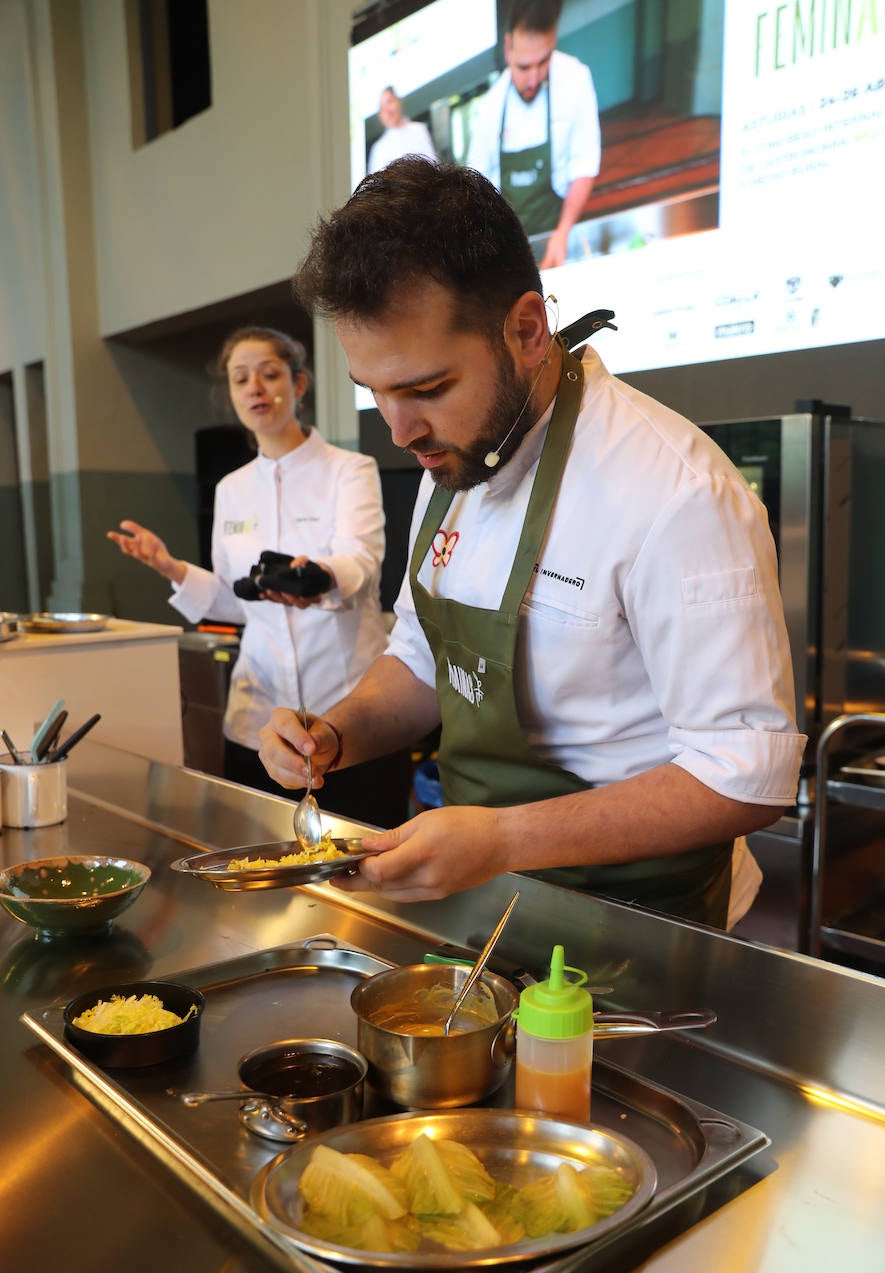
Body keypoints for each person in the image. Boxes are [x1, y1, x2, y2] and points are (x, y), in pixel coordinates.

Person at [258, 157, 806, 928]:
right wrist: (338, 730)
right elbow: (422, 659)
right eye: (375, 392)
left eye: (426, 388)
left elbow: (744, 776)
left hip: (645, 920)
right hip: (489, 900)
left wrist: (504, 839)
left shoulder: (675, 491)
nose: (400, 429)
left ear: (525, 329)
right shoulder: (451, 459)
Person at [108, 324, 411, 829]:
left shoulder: (349, 469)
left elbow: (360, 562)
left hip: (350, 710)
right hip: (258, 719)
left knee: (368, 865)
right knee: (269, 870)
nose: (255, 388)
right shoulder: (231, 488)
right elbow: (234, 602)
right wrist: (171, 567)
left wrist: (316, 578)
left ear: (299, 384)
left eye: (269, 374)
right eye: (240, 378)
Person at [465, 0, 601, 270]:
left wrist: (562, 232)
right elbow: (476, 189)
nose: (534, 79)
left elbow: (584, 163)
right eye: (524, 67)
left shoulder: (575, 79)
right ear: (508, 48)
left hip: (560, 230)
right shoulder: (491, 107)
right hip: (509, 248)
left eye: (544, 62)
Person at [367, 86, 439, 175]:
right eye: (382, 108)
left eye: (389, 102)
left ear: (398, 101)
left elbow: (433, 164)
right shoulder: (379, 148)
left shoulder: (419, 130)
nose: (387, 111)